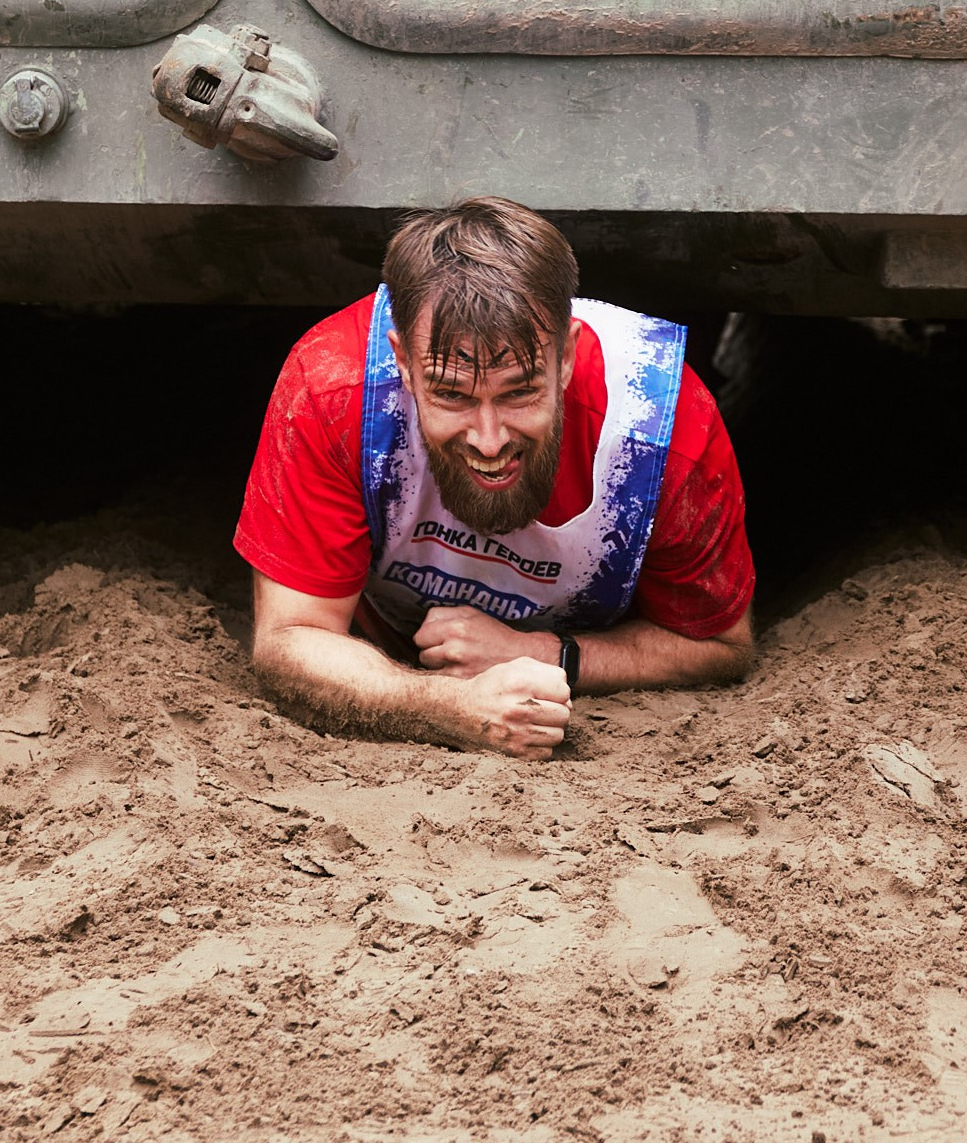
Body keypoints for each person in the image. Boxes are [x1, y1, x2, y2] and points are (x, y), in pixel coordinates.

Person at [238, 197, 756, 761]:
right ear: (403, 362)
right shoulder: (335, 391)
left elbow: (720, 645)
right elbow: (292, 637)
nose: (489, 440)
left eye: (519, 392)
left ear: (566, 358)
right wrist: (450, 708)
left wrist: (546, 654)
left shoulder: (659, 428)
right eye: (451, 394)